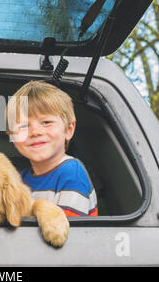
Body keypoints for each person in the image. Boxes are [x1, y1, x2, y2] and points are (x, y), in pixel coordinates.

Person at [6, 80, 98, 217]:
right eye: (23, 126)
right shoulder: (19, 180)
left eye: (46, 122)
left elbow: (63, 233)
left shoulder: (71, 172)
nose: (35, 132)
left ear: (68, 130)